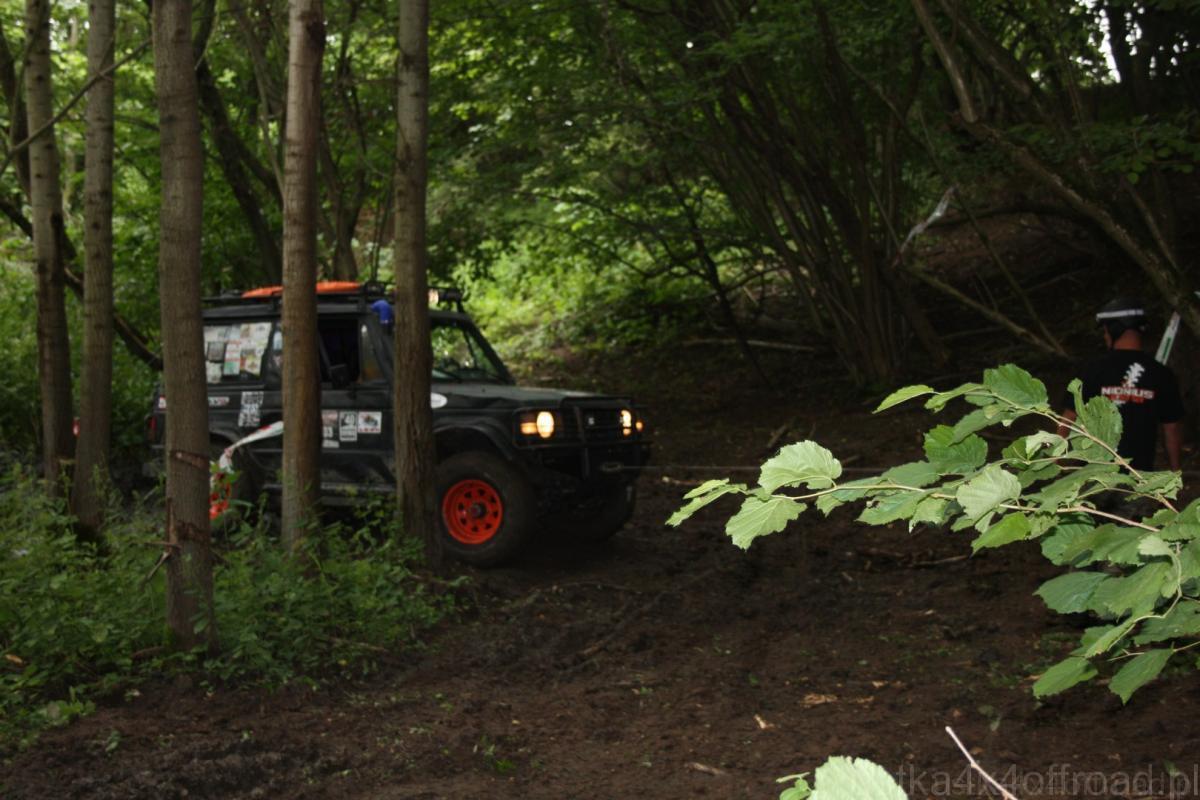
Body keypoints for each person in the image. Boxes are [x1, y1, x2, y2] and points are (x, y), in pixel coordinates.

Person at [1060, 297, 1183, 472]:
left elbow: (1068, 418)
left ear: (1115, 329)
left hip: (1096, 477)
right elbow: (1171, 428)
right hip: (1139, 477)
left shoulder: (1093, 370)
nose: (1104, 336)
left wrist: (1055, 462)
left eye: (1105, 330)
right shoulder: (1161, 373)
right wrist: (1175, 472)